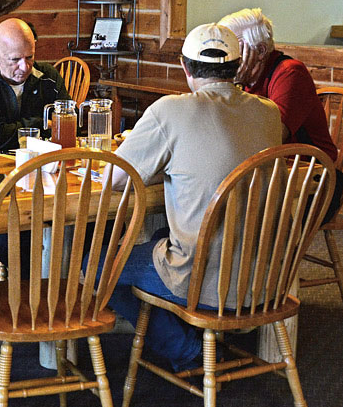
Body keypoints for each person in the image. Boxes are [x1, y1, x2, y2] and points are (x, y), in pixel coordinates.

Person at [107, 23, 282, 371]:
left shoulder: (169, 111)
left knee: (96, 269)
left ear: (185, 68)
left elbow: (116, 177)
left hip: (203, 279)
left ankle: (189, 350)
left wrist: (162, 165)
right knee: (159, 238)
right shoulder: (269, 112)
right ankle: (195, 334)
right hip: (265, 275)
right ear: (238, 67)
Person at [218, 7, 343, 218]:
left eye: (234, 47)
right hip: (271, 173)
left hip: (311, 178)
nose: (228, 56)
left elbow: (273, 137)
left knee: (237, 211)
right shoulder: (245, 78)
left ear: (260, 51)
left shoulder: (290, 73)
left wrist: (231, 86)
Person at [0, 18, 69, 151]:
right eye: (15, 59)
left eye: (30, 57)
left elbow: (70, 126)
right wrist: (41, 124)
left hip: (42, 162)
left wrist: (15, 131)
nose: (24, 67)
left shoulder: (48, 76)